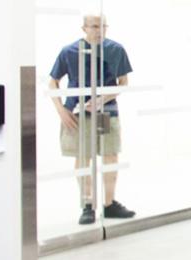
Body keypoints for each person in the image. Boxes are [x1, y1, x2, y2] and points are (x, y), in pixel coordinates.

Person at [48, 14, 137, 225]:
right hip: (77, 113)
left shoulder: (115, 50)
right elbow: (53, 83)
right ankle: (87, 205)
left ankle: (108, 204)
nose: (99, 31)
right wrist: (61, 110)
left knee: (110, 155)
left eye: (103, 26)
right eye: (94, 26)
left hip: (105, 113)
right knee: (83, 156)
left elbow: (123, 82)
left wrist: (102, 99)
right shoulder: (69, 52)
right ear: (84, 28)